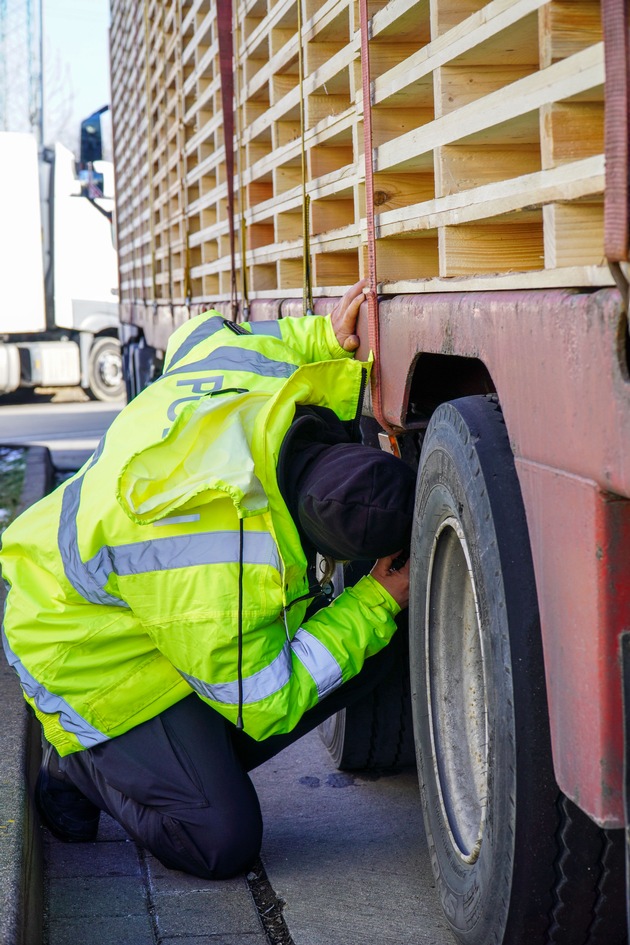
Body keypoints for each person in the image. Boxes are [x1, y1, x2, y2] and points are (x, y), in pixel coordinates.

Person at [0, 279, 415, 880]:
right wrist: (373, 600)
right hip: (81, 661)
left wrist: (324, 336)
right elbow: (269, 701)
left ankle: (182, 766)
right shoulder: (219, 565)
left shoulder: (261, 407)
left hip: (126, 615)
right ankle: (83, 768)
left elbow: (204, 331)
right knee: (223, 839)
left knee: (362, 651)